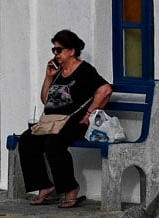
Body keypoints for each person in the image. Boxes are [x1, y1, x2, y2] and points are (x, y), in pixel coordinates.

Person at [18, 28, 112, 208]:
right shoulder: (59, 72)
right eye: (54, 50)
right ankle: (44, 185)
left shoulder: (84, 70)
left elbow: (105, 90)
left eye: (58, 50)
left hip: (75, 123)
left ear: (72, 51)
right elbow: (46, 99)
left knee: (53, 144)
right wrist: (48, 77)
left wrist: (89, 113)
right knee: (27, 140)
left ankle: (71, 188)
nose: (56, 54)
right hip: (53, 121)